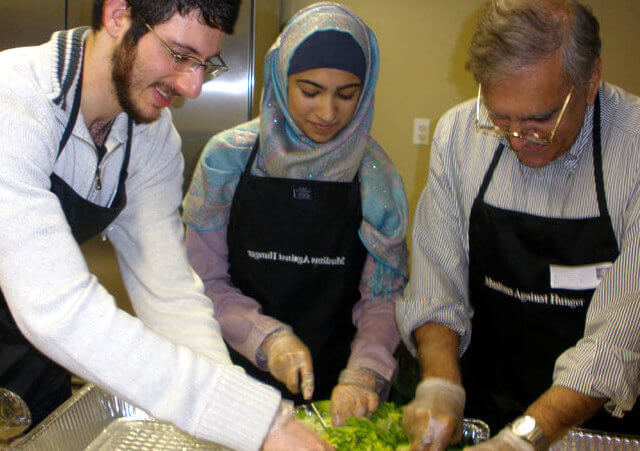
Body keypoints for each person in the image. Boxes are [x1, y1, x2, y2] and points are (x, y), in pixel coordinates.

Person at [0, 0, 332, 449]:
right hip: (43, 320)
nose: (191, 86)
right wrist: (261, 423)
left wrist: (237, 424)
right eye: (178, 55)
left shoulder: (149, 135)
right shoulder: (15, 100)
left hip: (35, 366)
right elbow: (56, 307)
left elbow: (170, 292)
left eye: (203, 63)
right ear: (118, 16)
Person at [395, 0, 640, 449]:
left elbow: (621, 337)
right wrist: (442, 384)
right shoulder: (458, 135)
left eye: (539, 120)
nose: (517, 140)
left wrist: (525, 438)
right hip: (488, 406)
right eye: (499, 119)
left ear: (591, 80)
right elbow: (436, 283)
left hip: (597, 428)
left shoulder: (634, 149)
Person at [183, 1, 409, 427]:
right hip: (234, 382)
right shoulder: (226, 159)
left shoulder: (377, 176)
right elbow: (202, 282)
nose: (327, 114)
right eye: (310, 91)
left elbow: (383, 299)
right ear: (281, 79)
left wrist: (366, 372)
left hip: (336, 399)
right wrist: (269, 339)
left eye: (347, 95)